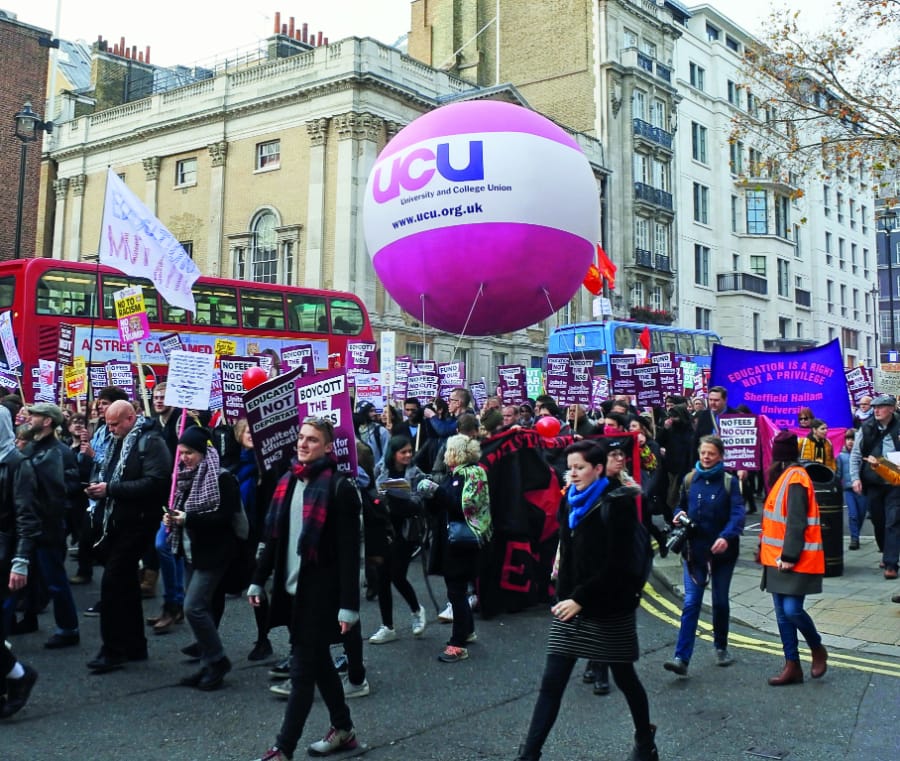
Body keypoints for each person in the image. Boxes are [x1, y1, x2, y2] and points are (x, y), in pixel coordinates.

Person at [514, 440, 657, 761]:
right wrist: (561, 592)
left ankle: (645, 741)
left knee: (625, 679)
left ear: (598, 469)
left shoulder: (615, 505)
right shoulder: (570, 503)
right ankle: (529, 755)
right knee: (551, 684)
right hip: (570, 610)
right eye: (570, 467)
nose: (573, 474)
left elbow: (618, 565)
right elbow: (567, 554)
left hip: (609, 609)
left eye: (580, 468)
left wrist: (579, 598)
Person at [248, 418, 362, 760]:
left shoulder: (340, 488)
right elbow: (274, 539)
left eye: (312, 440)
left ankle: (283, 748)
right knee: (319, 665)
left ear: (328, 447)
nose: (302, 444)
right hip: (292, 590)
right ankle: (344, 729)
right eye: (300, 438)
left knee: (301, 673)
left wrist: (349, 605)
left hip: (321, 596)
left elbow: (348, 554)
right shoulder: (288, 482)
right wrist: (258, 577)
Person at [84, 400, 172, 673]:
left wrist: (111, 489)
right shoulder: (116, 441)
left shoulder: (151, 442)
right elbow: (106, 470)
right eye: (108, 423)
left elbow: (156, 483)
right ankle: (135, 645)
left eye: (115, 423)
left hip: (139, 522)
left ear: (131, 418)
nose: (110, 429)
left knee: (112, 583)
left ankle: (112, 649)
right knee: (126, 585)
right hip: (116, 521)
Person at [164, 426, 240, 691]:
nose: (185, 458)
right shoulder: (184, 478)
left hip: (214, 553)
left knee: (193, 608)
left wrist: (188, 518)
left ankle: (218, 661)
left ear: (204, 452)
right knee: (199, 609)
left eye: (190, 453)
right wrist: (172, 517)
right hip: (190, 552)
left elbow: (223, 516)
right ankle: (208, 664)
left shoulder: (222, 478)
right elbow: (181, 510)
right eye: (182, 453)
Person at [663, 435, 745, 677]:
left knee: (720, 601)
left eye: (711, 453)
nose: (706, 457)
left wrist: (726, 536)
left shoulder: (730, 482)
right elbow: (679, 506)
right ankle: (681, 657)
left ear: (720, 455)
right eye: (703, 453)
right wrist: (678, 514)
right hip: (694, 552)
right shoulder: (690, 480)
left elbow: (738, 514)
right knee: (691, 603)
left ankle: (721, 647)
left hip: (723, 553)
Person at [11, 403, 82, 649]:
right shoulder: (32, 446)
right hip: (31, 524)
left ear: (48, 421)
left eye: (35, 416)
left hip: (48, 525)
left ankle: (68, 628)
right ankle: (28, 619)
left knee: (54, 579)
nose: (29, 419)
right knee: (28, 579)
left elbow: (69, 487)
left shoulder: (60, 452)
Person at [761, 430, 827, 686]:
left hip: (792, 558)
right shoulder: (787, 476)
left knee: (791, 611)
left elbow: (797, 521)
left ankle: (817, 648)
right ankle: (792, 665)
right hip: (776, 558)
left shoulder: (796, 477)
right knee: (782, 615)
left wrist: (788, 555)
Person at [423, 433, 492, 663]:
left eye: (449, 451)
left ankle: (458, 643)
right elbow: (442, 505)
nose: (445, 455)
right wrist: (429, 495)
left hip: (462, 542)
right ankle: (467, 630)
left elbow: (462, 506)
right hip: (451, 541)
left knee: (456, 592)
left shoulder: (472, 474)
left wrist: (437, 491)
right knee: (457, 590)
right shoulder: (455, 474)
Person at [369, 435, 428, 644]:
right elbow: (375, 494)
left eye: (410, 451)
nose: (408, 455)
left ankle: (416, 610)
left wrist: (412, 499)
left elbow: (422, 497)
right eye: (403, 452)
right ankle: (387, 626)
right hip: (385, 528)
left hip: (407, 530)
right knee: (382, 577)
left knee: (396, 574)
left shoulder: (416, 473)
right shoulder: (381, 470)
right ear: (393, 453)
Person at [0, 406, 38, 719]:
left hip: (5, 552)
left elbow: (27, 518)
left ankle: (18, 675)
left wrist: (21, 560)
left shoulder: (18, 464)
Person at [849, 394, 900, 578]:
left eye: (881, 406)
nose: (876, 410)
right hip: (874, 483)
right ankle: (886, 551)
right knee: (878, 521)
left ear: (892, 409)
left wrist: (887, 466)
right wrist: (855, 478)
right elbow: (856, 454)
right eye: (875, 407)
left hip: (896, 483)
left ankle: (891, 564)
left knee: (893, 522)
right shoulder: (867, 427)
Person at [836, 429, 866, 551]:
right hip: (848, 489)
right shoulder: (841, 456)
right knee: (853, 514)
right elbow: (838, 474)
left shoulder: (863, 455)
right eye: (848, 439)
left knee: (861, 514)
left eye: (853, 439)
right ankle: (855, 538)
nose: (850, 442)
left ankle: (856, 534)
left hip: (863, 489)